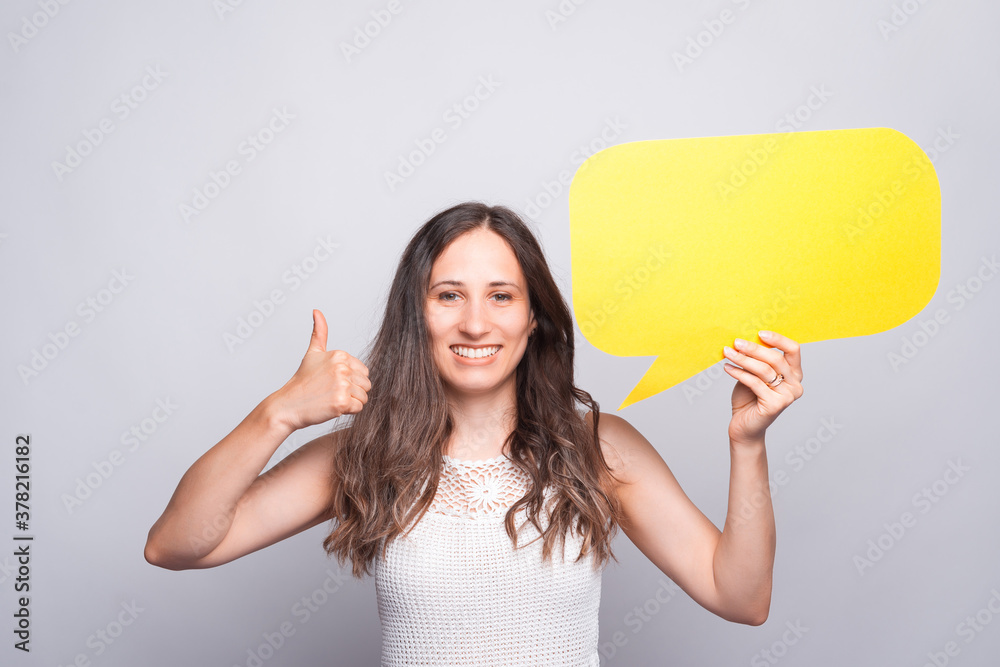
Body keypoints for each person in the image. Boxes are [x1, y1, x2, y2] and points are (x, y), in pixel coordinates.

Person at [145, 201, 804, 665]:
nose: (476, 323)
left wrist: (747, 444)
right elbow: (175, 544)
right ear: (418, 314)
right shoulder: (364, 453)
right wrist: (279, 414)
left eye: (502, 296)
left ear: (534, 318)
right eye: (449, 295)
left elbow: (740, 596)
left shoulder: (600, 448)